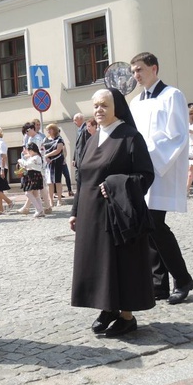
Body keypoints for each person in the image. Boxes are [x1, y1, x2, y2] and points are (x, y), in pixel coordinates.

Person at [70, 88, 155, 337]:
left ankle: (127, 317)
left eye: (104, 105)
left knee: (121, 263)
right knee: (98, 264)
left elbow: (146, 175)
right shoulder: (92, 138)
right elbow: (83, 178)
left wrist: (116, 183)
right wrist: (75, 210)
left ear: (116, 107)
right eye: (95, 105)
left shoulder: (130, 137)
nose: (99, 110)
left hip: (118, 214)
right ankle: (107, 308)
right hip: (90, 213)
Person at [129, 52, 193, 305]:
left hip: (161, 170)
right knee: (148, 227)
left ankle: (182, 279)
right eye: (134, 71)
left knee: (155, 224)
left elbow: (177, 135)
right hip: (143, 172)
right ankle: (159, 283)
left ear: (154, 68)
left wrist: (149, 159)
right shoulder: (136, 102)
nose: (136, 75)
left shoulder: (172, 96)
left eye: (140, 69)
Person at [18, 142, 46, 217]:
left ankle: (39, 209)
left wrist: (20, 160)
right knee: (35, 194)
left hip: (34, 175)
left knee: (28, 193)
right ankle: (41, 210)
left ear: (32, 150)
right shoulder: (35, 157)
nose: (28, 152)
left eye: (29, 150)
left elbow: (27, 164)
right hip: (33, 175)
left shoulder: (36, 157)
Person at [43, 124, 66, 207]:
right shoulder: (45, 139)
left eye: (50, 129)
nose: (48, 131)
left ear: (54, 130)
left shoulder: (59, 139)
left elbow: (58, 149)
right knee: (49, 182)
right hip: (48, 162)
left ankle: (59, 200)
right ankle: (51, 201)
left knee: (57, 181)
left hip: (57, 161)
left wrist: (47, 155)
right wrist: (46, 157)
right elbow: (43, 149)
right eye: (47, 130)